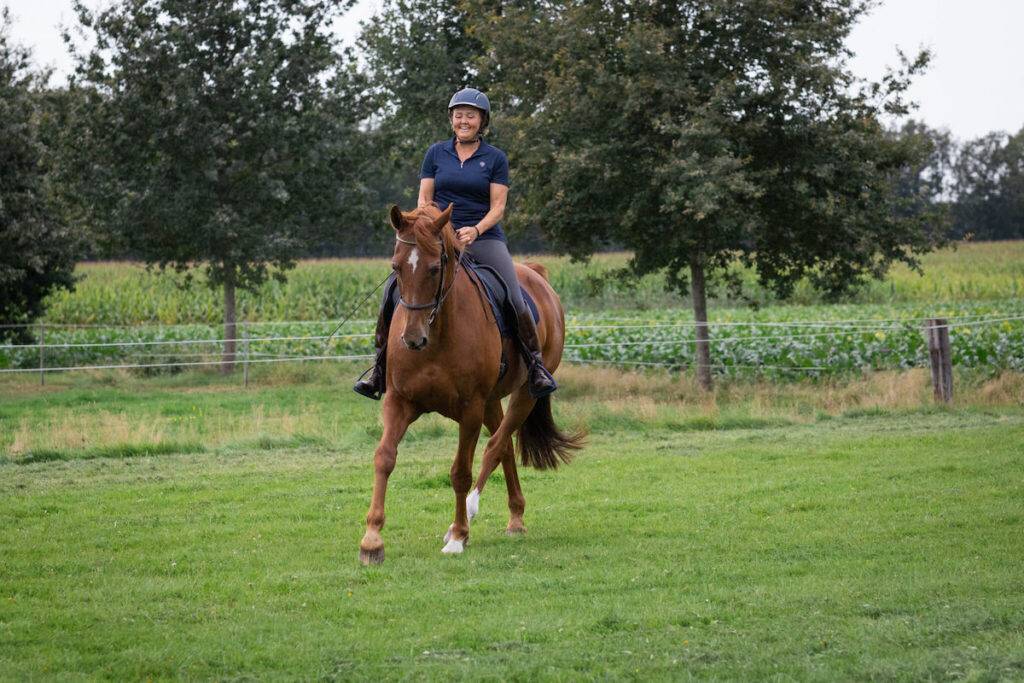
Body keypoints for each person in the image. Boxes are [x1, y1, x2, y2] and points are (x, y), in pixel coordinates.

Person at [354, 87, 557, 400]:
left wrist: (475, 230)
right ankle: (378, 369)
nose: (464, 121)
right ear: (451, 119)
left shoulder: (495, 158)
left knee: (514, 296)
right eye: (459, 115)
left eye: (470, 116)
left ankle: (535, 365)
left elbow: (498, 207)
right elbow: (424, 199)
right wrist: (435, 229)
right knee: (392, 291)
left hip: (483, 238)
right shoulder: (436, 153)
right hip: (438, 237)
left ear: (481, 121)